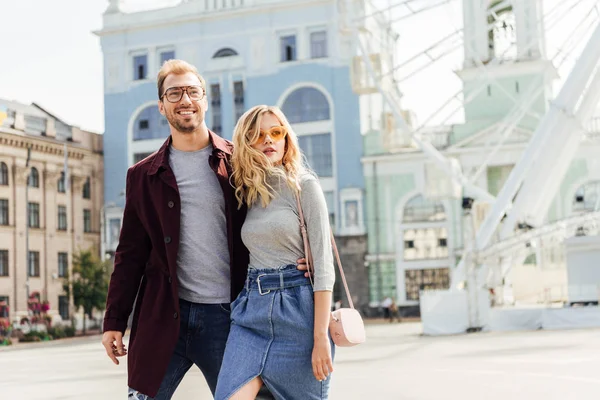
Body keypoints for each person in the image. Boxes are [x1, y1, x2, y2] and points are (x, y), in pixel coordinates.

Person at [101, 60, 306, 400]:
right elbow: (129, 254)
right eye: (175, 93)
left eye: (192, 91)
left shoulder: (240, 161)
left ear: (205, 99)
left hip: (230, 318)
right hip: (164, 317)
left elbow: (290, 203)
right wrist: (113, 320)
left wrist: (309, 255)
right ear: (161, 105)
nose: (185, 100)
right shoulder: (142, 176)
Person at [214, 105, 336, 400]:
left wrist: (320, 337)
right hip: (251, 313)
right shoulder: (246, 192)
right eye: (258, 134)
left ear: (286, 139)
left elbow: (323, 268)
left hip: (300, 317)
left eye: (276, 132)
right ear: (246, 143)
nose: (268, 139)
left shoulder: (304, 185)